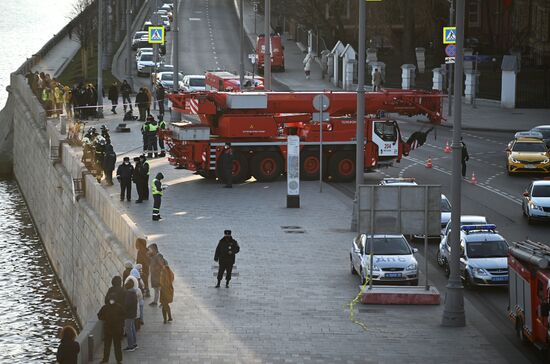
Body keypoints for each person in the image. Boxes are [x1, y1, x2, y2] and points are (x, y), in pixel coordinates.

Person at [98, 293, 125, 364]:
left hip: (108, 330)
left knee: (107, 346)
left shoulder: (105, 307)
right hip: (116, 330)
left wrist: (105, 319)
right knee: (117, 346)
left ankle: (105, 359)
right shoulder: (119, 307)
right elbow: (123, 316)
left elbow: (99, 315)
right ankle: (119, 360)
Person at [123, 279, 138, 351]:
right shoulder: (134, 292)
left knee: (128, 330)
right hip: (133, 314)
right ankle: (134, 344)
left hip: (128, 315)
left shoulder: (128, 294)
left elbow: (127, 305)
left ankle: (130, 346)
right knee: (133, 329)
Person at [159, 258, 174, 323]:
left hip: (164, 290)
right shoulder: (169, 270)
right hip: (169, 289)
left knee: (164, 304)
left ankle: (166, 319)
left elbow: (162, 282)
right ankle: (168, 318)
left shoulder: (164, 271)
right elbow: (172, 278)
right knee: (165, 304)